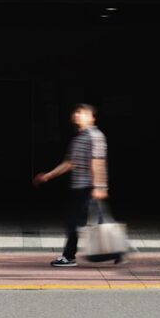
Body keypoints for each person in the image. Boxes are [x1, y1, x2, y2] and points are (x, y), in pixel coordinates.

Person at [33, 103, 117, 268]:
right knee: (94, 221)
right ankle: (118, 251)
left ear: (92, 118)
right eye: (76, 112)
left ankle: (68, 256)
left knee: (75, 223)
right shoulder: (79, 137)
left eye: (82, 113)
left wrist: (99, 187)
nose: (77, 115)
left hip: (88, 187)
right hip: (79, 187)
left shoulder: (94, 136)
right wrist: (48, 176)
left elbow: (97, 162)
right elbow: (69, 163)